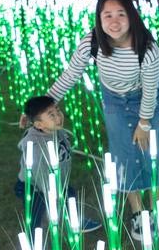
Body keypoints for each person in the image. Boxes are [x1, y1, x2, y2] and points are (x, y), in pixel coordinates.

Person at [48, 0, 159, 241]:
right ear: (99, 19)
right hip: (113, 98)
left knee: (157, 149)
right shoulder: (92, 43)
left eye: (121, 14)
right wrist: (45, 104)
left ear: (131, 16)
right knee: (125, 151)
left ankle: (155, 209)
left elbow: (151, 87)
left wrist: (144, 123)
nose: (114, 21)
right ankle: (138, 212)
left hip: (148, 96)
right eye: (107, 15)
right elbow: (70, 75)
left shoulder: (146, 47)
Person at [15, 95, 101, 233]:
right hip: (33, 186)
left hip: (57, 181)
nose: (58, 117)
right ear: (39, 124)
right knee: (35, 211)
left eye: (57, 111)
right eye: (51, 115)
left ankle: (76, 222)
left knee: (69, 194)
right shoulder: (35, 145)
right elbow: (39, 172)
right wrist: (51, 193)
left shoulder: (57, 131)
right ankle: (34, 243)